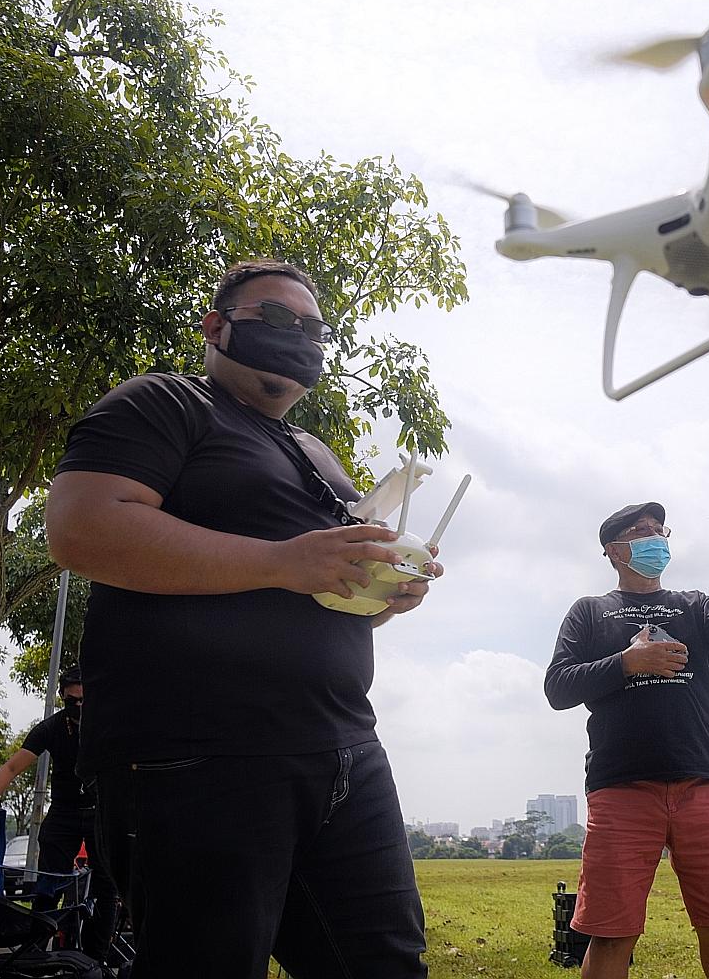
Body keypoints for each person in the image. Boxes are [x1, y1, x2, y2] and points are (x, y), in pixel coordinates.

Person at [45, 259, 439, 978]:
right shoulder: (162, 403)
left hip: (344, 751)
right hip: (197, 757)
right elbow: (81, 530)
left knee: (385, 965)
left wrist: (378, 595)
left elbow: (310, 594)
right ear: (215, 325)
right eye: (278, 319)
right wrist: (284, 561)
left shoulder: (315, 452)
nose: (302, 337)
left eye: (316, 330)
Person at [544, 501, 709, 979]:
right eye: (641, 531)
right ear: (613, 550)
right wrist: (627, 662)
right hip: (621, 788)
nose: (655, 539)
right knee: (611, 932)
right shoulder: (590, 611)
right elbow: (558, 687)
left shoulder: (694, 605)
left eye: (661, 531)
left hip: (701, 784)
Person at [0, 665, 120, 959]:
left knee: (107, 885)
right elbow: (12, 766)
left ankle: (96, 958)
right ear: (63, 698)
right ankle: (35, 952)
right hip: (64, 813)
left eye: (83, 700)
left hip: (100, 810)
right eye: (71, 701)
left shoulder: (108, 724)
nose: (78, 707)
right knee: (49, 882)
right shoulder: (52, 728)